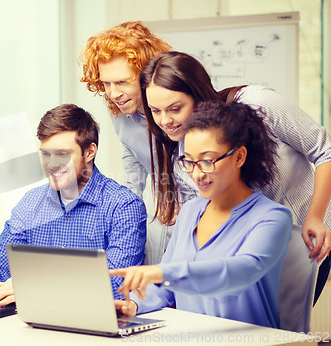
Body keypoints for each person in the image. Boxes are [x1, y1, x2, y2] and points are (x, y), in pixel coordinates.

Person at [139, 51, 331, 301]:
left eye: (175, 108)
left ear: (197, 95)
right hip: (249, 250)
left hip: (307, 240)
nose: (165, 121)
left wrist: (316, 217)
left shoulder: (258, 103)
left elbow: (325, 150)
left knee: (287, 330)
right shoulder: (184, 157)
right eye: (155, 110)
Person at [111, 101, 292, 329]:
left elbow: (238, 273)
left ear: (239, 157)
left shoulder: (272, 218)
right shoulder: (190, 211)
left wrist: (160, 272)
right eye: (189, 161)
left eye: (207, 161)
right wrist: (134, 305)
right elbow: (166, 287)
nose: (196, 174)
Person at [0, 103, 147, 307]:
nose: (51, 164)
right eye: (46, 154)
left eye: (62, 154)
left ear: (89, 152)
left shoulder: (124, 206)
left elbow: (117, 284)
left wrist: (32, 289)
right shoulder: (31, 203)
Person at [79, 21, 172, 264]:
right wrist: (128, 210)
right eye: (106, 83)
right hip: (161, 209)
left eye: (122, 82)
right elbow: (131, 155)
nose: (113, 93)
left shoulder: (174, 111)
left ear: (148, 75)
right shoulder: (118, 109)